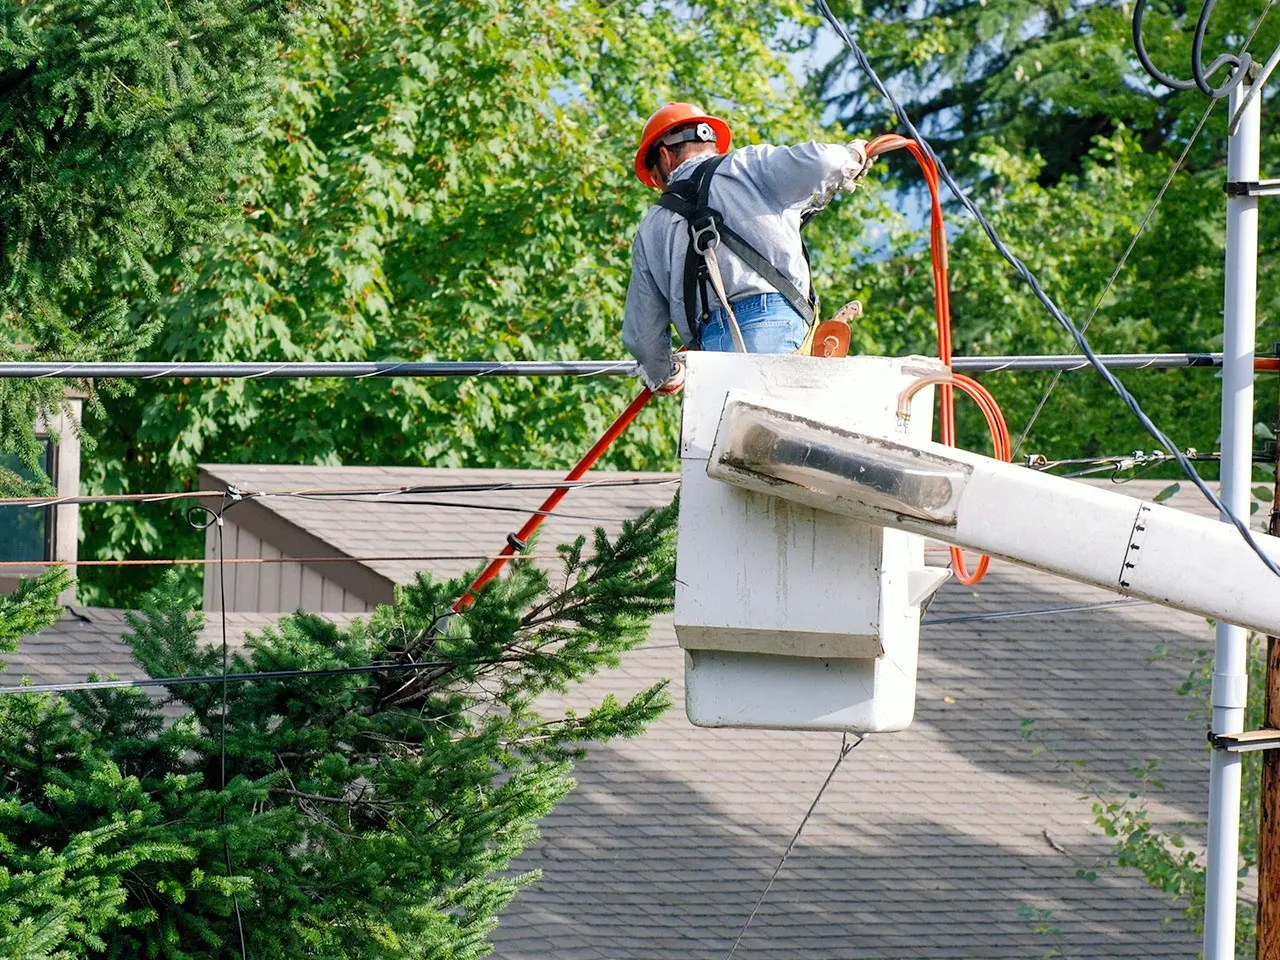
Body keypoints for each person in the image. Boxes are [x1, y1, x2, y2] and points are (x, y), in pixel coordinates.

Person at [621, 102, 871, 394]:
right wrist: (853, 154)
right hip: (775, 326)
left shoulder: (652, 227)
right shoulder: (745, 165)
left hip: (710, 352)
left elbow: (642, 335)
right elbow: (825, 162)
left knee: (729, 438)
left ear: (663, 158)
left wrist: (665, 372)